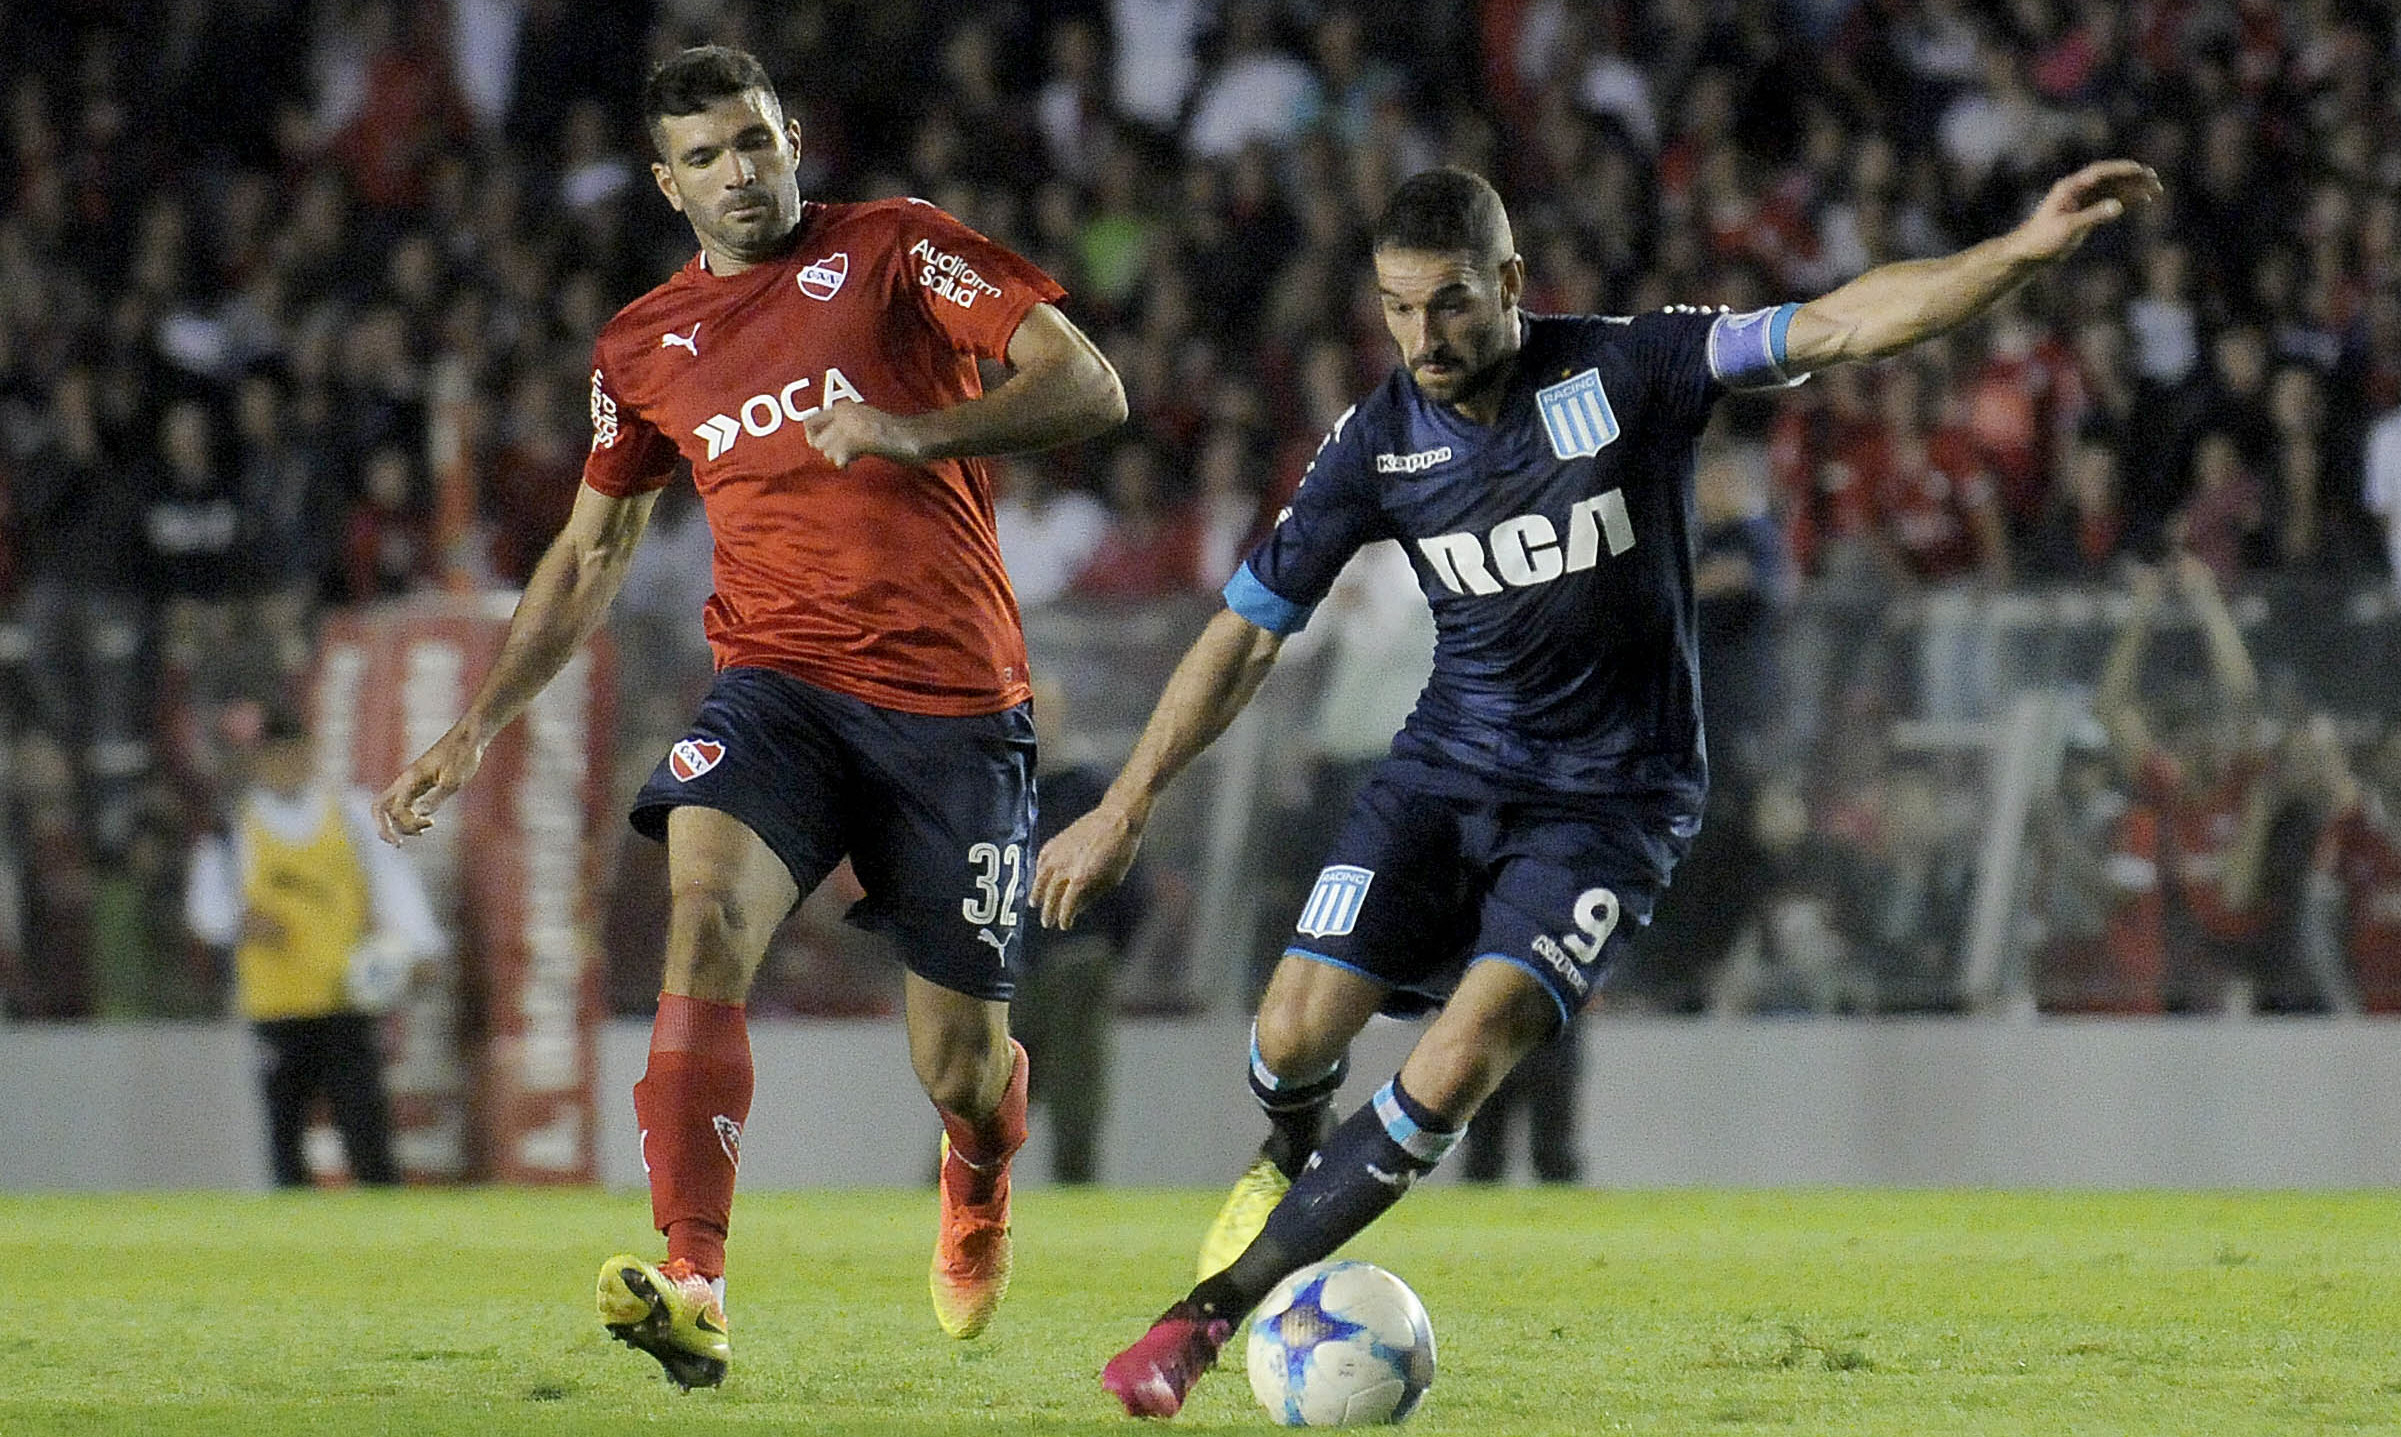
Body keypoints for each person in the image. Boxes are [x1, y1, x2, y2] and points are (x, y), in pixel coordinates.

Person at [1031, 158, 2158, 1417]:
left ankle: (1201, 1318)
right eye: (1397, 309)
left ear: (1511, 280)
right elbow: (1246, 631)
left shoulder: (1628, 370)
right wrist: (1125, 802)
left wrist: (2013, 253)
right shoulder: (1377, 441)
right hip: (1446, 772)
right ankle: (1291, 1147)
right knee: (1290, 1035)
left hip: (1611, 809)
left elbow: (1842, 322)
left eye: (1450, 303)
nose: (1423, 337)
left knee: (1463, 1053)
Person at [373, 46, 1125, 1389]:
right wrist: (478, 723)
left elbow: (1089, 386)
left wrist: (908, 432)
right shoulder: (642, 347)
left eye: (756, 142)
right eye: (707, 156)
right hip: (776, 684)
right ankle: (697, 1280)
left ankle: (980, 1157)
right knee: (703, 910)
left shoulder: (896, 249)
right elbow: (591, 552)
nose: (740, 172)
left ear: (793, 140)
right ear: (669, 185)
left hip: (953, 708)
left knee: (957, 1065)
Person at [185, 703, 445, 1188]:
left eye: (294, 755)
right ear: (258, 763)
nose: (285, 767)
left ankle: (385, 1219)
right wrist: (240, 922)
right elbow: (206, 909)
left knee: (365, 1127)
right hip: (277, 1003)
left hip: (346, 998)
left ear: (309, 756)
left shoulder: (350, 815)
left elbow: (393, 885)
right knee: (285, 1131)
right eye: (275, 757)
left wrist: (420, 948)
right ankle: (294, 1222)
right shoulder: (232, 829)